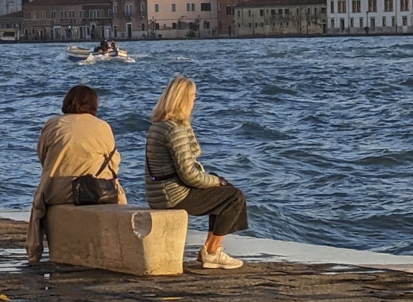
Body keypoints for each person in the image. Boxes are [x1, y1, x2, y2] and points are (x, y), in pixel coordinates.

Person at [144, 75, 250, 270]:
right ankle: (211, 251)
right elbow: (189, 175)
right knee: (234, 196)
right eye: (193, 97)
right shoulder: (174, 130)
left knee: (223, 189)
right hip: (174, 195)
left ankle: (211, 249)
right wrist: (216, 182)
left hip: (159, 193)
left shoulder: (158, 126)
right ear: (184, 100)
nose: (195, 101)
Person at [26, 85, 123, 264]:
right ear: (94, 104)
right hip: (98, 191)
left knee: (40, 195)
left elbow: (43, 156)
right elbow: (114, 163)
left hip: (59, 191)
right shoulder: (103, 126)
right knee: (119, 191)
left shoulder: (53, 124)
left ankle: (34, 253)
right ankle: (122, 247)